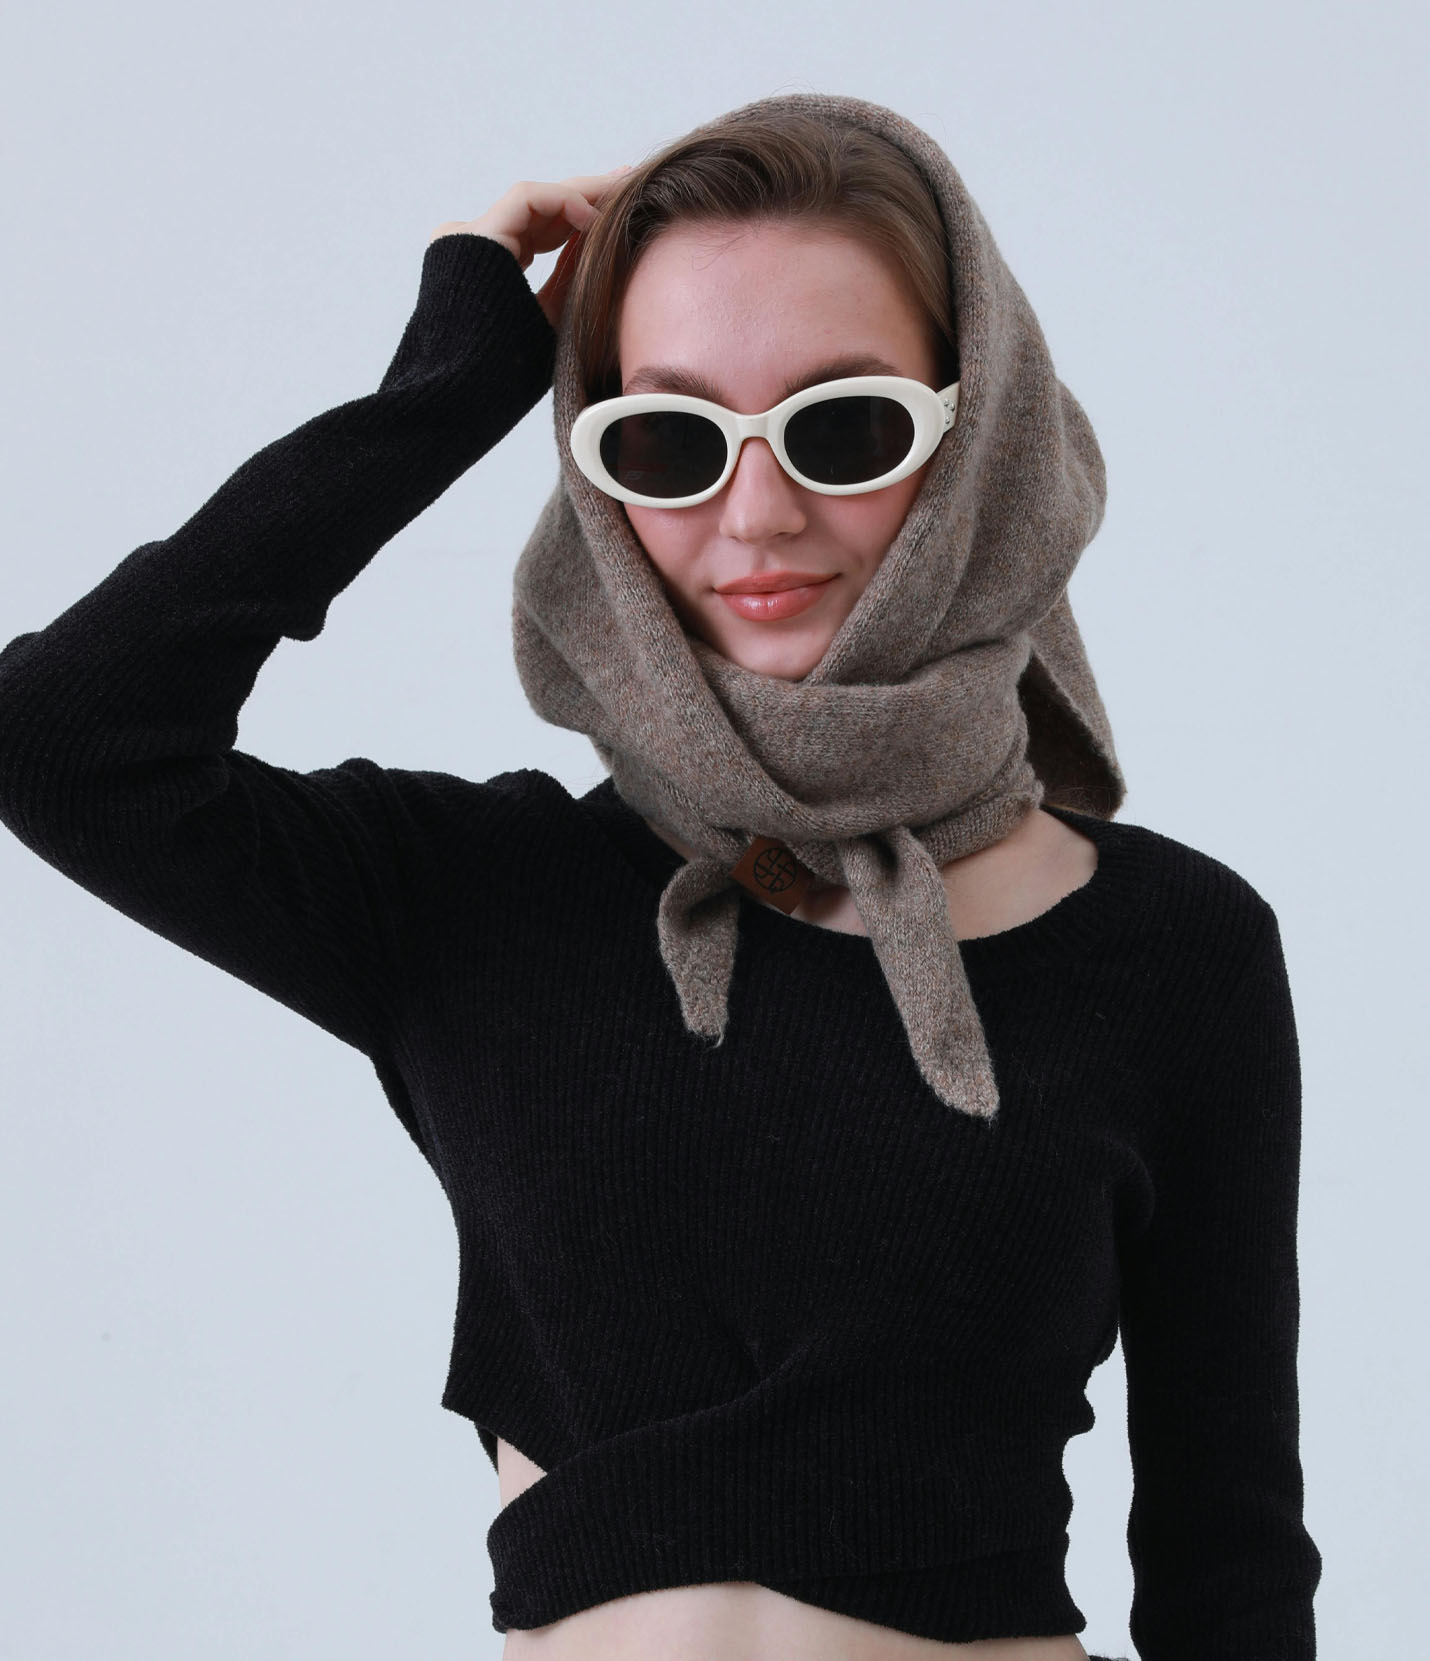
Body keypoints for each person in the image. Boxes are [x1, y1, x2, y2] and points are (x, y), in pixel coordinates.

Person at [0, 93, 1320, 1661]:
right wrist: (457, 379)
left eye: (843, 426)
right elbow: (63, 738)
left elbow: (1231, 1565)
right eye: (668, 440)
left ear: (983, 436)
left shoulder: (1176, 949)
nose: (756, 513)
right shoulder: (477, 898)